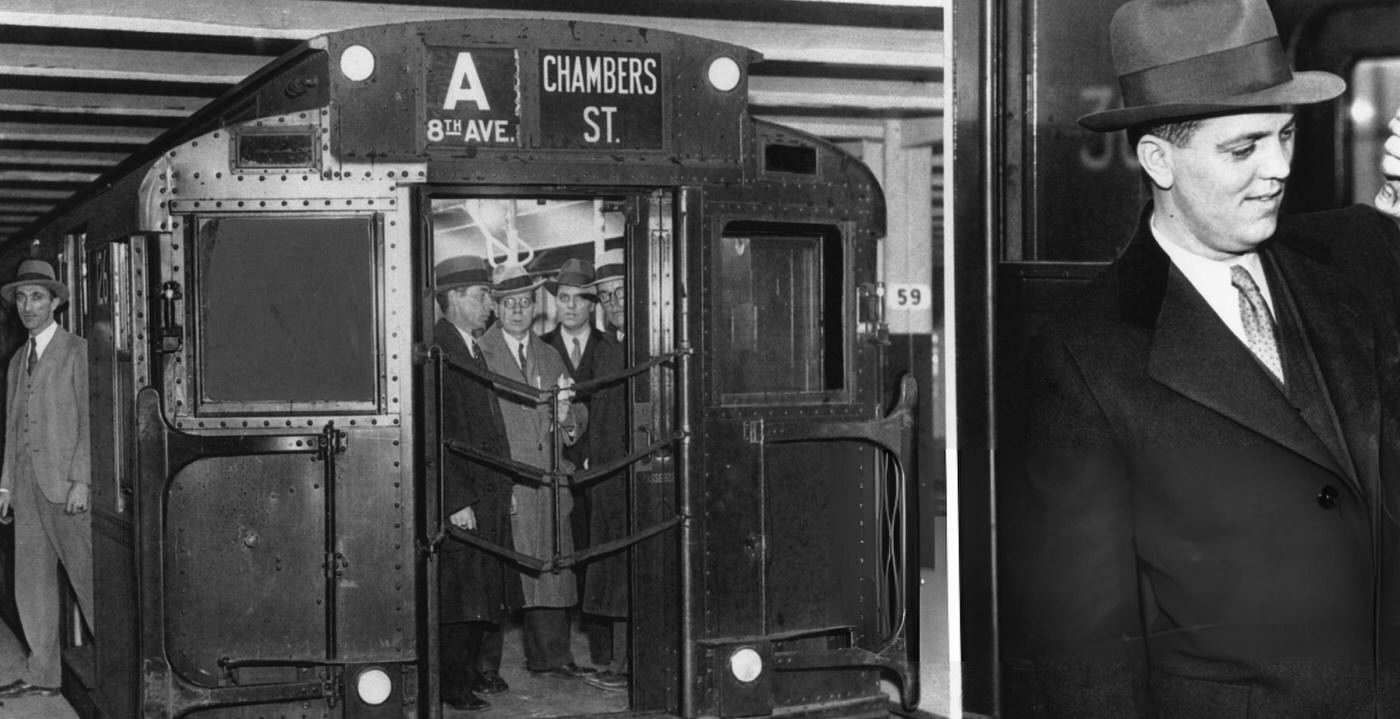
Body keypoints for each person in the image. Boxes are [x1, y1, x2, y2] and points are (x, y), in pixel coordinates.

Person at [999, 0, 1400, 716]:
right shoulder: (1085, 352)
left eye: (1285, 134)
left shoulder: (1353, 257)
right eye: (1243, 149)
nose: (1278, 168)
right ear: (1160, 159)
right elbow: (1083, 649)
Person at [478, 263, 595, 679]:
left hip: (547, 483)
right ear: (495, 307)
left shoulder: (549, 353)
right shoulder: (479, 351)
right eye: (508, 303)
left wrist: (567, 417)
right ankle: (484, 668)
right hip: (506, 478)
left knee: (551, 573)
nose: (516, 310)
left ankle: (551, 657)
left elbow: (579, 411)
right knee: (495, 575)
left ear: (534, 306)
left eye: (524, 302)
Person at [433, 255, 521, 712]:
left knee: (478, 595)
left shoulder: (469, 345)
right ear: (453, 298)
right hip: (463, 497)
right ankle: (451, 685)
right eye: (482, 295)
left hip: (484, 492)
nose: (490, 303)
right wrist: (455, 499)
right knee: (461, 598)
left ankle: (464, 677)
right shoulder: (442, 348)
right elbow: (438, 432)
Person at [0, 259, 92, 699]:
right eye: (21, 297)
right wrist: (5, 487)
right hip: (26, 486)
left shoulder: (77, 351)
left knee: (88, 581)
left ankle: (115, 671)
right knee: (31, 584)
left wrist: (82, 480)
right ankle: (43, 673)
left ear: (56, 302)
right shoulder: (18, 359)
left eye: (37, 297)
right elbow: (12, 425)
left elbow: (92, 420)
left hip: (65, 487)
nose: (27, 306)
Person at [541, 257, 630, 691]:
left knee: (607, 559)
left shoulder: (610, 345)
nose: (572, 306)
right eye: (564, 298)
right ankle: (605, 658)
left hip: (612, 468)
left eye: (618, 294)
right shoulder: (545, 346)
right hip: (572, 469)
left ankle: (611, 656)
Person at [593, 249, 626, 343]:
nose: (613, 302)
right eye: (605, 295)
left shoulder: (655, 342)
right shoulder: (601, 349)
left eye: (620, 292)